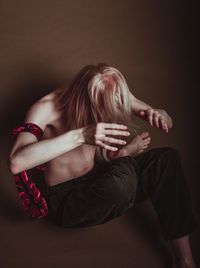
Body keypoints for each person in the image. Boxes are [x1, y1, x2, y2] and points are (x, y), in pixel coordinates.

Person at [8, 63, 198, 268]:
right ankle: (122, 156)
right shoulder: (46, 107)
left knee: (165, 159)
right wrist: (81, 135)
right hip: (70, 202)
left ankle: (183, 260)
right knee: (121, 184)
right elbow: (17, 162)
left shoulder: (110, 90)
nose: (111, 111)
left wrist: (159, 114)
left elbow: (163, 120)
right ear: (82, 99)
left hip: (105, 178)